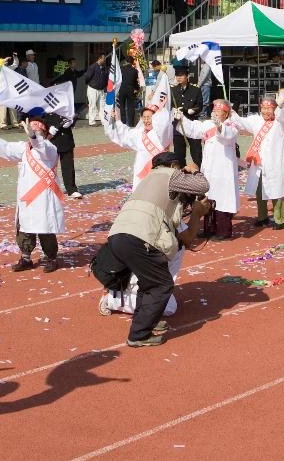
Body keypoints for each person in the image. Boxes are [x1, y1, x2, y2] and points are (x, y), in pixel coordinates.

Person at [101, 153, 210, 347]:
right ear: (174, 164)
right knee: (161, 285)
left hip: (118, 234)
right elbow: (203, 186)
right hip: (141, 238)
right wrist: (194, 171)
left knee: (149, 282)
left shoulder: (147, 180)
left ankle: (146, 321)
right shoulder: (171, 174)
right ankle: (138, 335)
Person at [0, 117, 65, 272]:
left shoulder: (49, 148)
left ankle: (51, 258)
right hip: (27, 196)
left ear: (44, 132)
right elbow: (7, 148)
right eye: (30, 129)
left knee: (44, 228)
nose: (32, 131)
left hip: (43, 197)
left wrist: (34, 136)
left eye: (36, 129)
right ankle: (26, 258)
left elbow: (40, 145)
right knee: (25, 227)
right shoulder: (24, 148)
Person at [176, 99, 240, 239]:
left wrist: (219, 126)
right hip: (209, 169)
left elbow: (227, 136)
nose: (215, 113)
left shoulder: (231, 125)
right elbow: (193, 129)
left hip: (223, 171)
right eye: (214, 110)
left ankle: (223, 231)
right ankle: (208, 229)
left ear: (226, 113)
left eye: (219, 111)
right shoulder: (207, 124)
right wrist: (181, 118)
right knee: (208, 199)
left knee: (222, 201)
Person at [233, 96, 284, 229]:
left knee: (278, 191)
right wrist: (231, 112)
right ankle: (262, 217)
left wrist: (280, 107)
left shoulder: (279, 122)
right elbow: (241, 122)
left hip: (276, 163)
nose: (266, 111)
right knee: (260, 191)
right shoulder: (256, 120)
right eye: (263, 108)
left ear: (274, 109)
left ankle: (280, 219)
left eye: (269, 108)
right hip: (259, 163)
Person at [104, 101, 173, 186]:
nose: (146, 120)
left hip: (159, 172)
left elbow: (164, 125)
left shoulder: (161, 134)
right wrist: (117, 120)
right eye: (144, 117)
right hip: (141, 171)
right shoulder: (139, 133)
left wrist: (162, 110)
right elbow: (125, 134)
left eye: (149, 117)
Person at [169, 64, 203, 166]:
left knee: (196, 153)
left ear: (187, 76)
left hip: (192, 125)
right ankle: (181, 174)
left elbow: (200, 105)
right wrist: (174, 112)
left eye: (181, 75)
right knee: (179, 154)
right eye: (177, 75)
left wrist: (190, 111)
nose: (179, 78)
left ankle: (199, 172)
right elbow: (169, 106)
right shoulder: (173, 90)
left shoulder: (195, 89)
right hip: (179, 126)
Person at [83, 53, 109, 126]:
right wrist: (91, 84)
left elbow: (106, 79)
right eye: (103, 58)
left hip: (101, 89)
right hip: (93, 89)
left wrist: (105, 87)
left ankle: (104, 121)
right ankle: (92, 121)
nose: (104, 60)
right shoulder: (93, 67)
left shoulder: (104, 68)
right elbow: (87, 77)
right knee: (93, 105)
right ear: (99, 58)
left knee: (102, 106)